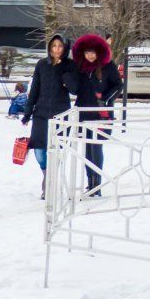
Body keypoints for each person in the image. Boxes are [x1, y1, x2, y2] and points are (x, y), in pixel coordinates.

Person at [64, 34, 122, 196]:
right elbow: (75, 89)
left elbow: (118, 85)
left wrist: (105, 98)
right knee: (87, 150)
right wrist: (67, 77)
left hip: (100, 115)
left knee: (95, 147)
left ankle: (96, 185)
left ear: (98, 53)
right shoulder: (80, 68)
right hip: (83, 114)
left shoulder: (108, 66)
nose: (90, 55)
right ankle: (91, 182)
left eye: (93, 52)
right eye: (87, 52)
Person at [22, 34, 72, 199]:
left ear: (64, 49)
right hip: (41, 114)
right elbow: (35, 89)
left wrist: (65, 74)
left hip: (60, 115)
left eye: (60, 46)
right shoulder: (42, 64)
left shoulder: (69, 66)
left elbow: (75, 88)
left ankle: (49, 184)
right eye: (54, 46)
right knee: (40, 152)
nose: (56, 49)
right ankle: (47, 175)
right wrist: (28, 112)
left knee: (56, 150)